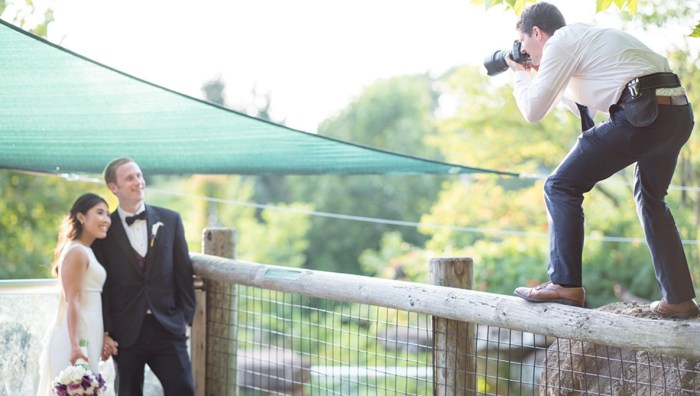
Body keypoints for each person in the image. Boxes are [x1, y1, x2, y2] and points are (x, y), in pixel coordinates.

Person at [507, 3, 697, 318]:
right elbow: (587, 112)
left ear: (537, 33)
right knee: (650, 199)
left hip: (643, 112)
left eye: (524, 44)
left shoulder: (559, 43)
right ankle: (678, 299)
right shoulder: (584, 38)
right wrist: (540, 74)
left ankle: (565, 284)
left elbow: (532, 111)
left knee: (559, 186)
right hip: (675, 111)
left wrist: (518, 76)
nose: (524, 52)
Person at [93, 157, 196, 395]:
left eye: (139, 175)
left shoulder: (170, 220)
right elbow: (103, 287)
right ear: (113, 187)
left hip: (168, 328)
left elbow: (183, 272)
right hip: (126, 333)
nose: (138, 181)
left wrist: (185, 320)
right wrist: (106, 330)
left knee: (184, 389)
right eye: (130, 178)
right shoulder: (104, 231)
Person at [37, 193, 112, 395]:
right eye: (99, 212)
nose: (106, 219)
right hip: (77, 336)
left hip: (89, 332)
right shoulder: (78, 251)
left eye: (107, 214)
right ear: (81, 217)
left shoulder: (86, 249)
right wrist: (75, 346)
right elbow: (74, 300)